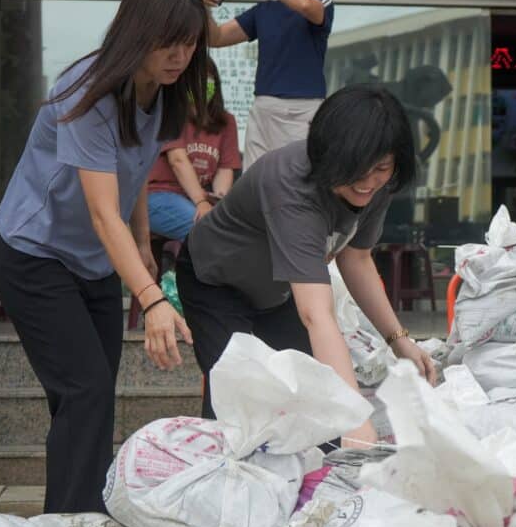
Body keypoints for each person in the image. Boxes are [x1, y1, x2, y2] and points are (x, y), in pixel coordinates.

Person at [0, 0, 204, 513]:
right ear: (136, 32)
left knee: (89, 394)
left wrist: (143, 244)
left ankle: (72, 518)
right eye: (167, 41)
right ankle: (70, 524)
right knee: (84, 390)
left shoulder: (161, 92)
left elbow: (129, 175)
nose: (180, 55)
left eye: (190, 40)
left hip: (93, 262)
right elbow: (100, 210)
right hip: (34, 254)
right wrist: (150, 297)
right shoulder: (89, 91)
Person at [176, 85, 436, 448]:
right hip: (215, 279)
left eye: (380, 168)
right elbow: (316, 314)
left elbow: (356, 258)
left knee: (311, 390)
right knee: (238, 394)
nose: (367, 183)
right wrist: (355, 419)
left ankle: (313, 492)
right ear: (329, 156)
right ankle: (220, 488)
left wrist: (399, 340)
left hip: (278, 285)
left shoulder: (379, 183)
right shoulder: (290, 185)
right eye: (356, 170)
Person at [200, 0, 334, 167]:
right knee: (254, 187)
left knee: (296, 187)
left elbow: (304, 6)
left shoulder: (321, 0)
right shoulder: (265, 10)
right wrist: (204, 5)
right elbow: (216, 37)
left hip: (302, 111)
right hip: (263, 107)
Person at [147, 58, 241, 241]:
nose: (201, 85)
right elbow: (177, 160)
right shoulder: (169, 113)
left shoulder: (226, 121)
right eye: (193, 79)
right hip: (159, 195)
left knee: (230, 230)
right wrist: (201, 201)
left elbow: (224, 169)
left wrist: (219, 202)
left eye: (206, 79)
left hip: (198, 199)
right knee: (209, 233)